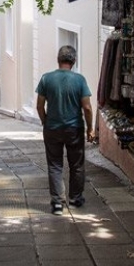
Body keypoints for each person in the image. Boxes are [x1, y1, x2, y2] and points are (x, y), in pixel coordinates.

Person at [35, 45, 94, 215]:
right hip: (74, 128)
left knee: (55, 164)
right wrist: (90, 128)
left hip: (52, 128)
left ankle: (57, 203)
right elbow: (87, 107)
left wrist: (45, 122)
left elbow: (39, 106)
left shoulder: (46, 79)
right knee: (76, 164)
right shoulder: (80, 80)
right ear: (73, 61)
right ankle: (75, 198)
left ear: (58, 60)